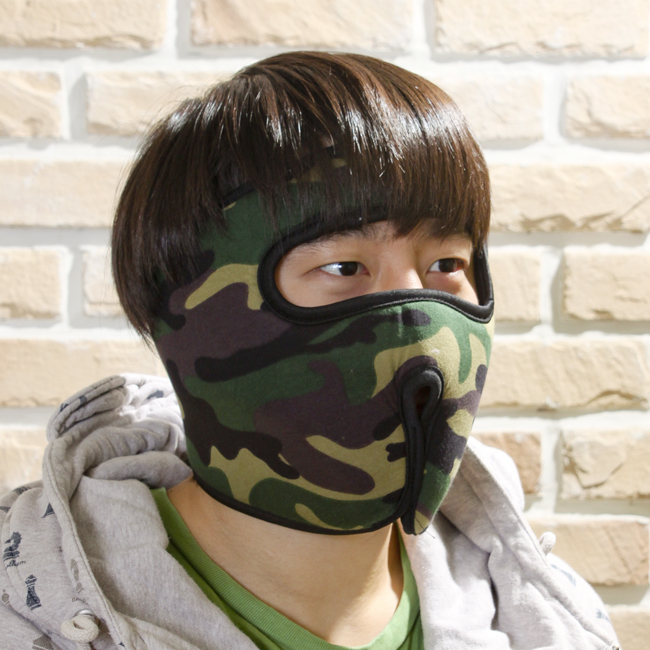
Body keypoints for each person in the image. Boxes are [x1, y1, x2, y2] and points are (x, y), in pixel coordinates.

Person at [1, 52, 618, 650]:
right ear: (194, 311)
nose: (423, 321)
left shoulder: (549, 615)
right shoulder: (28, 616)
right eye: (344, 266)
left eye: (447, 264)